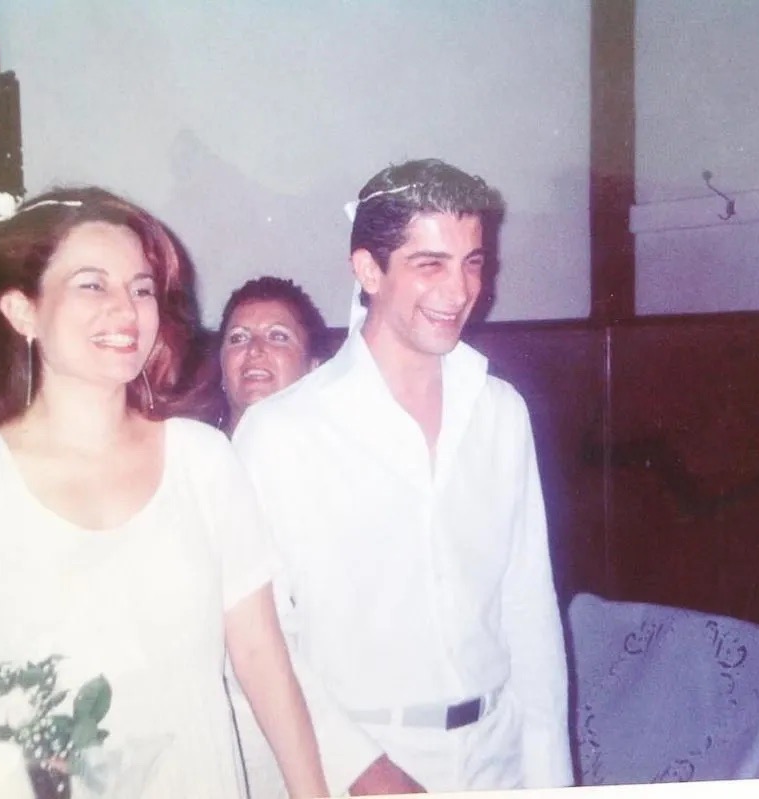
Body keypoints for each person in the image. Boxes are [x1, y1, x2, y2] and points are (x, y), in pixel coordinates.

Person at [0, 187, 329, 799]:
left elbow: (261, 657)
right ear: (22, 311)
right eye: (92, 285)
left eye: (141, 289)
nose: (125, 310)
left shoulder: (202, 461)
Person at [231, 159, 574, 795]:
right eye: (430, 264)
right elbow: (263, 641)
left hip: (498, 760)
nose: (460, 290)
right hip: (362, 764)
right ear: (368, 270)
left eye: (472, 262)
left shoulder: (500, 412)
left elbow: (529, 613)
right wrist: (363, 771)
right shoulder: (282, 433)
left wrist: (551, 777)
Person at [217, 276, 328, 434]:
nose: (254, 349)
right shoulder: (189, 446)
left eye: (278, 336)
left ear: (313, 367)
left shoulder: (339, 448)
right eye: (238, 338)